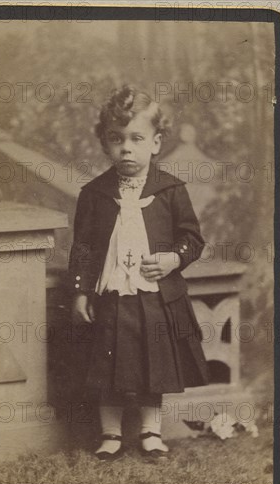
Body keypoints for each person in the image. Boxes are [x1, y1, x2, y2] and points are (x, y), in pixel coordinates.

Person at [69, 85, 209, 461]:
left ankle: (150, 431)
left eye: (136, 138)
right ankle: (110, 434)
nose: (126, 148)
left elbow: (192, 238)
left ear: (156, 143)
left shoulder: (171, 191)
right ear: (105, 144)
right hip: (111, 294)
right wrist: (81, 292)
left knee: (155, 363)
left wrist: (173, 260)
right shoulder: (95, 194)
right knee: (107, 361)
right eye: (116, 139)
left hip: (155, 296)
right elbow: (82, 246)